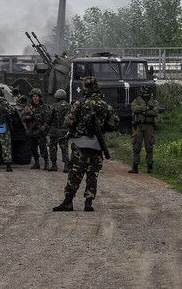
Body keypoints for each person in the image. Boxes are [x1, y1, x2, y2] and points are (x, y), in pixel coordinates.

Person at [53, 77, 118, 212]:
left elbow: (68, 122)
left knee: (75, 173)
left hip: (80, 145)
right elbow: (113, 124)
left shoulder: (79, 103)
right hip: (97, 145)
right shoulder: (106, 106)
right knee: (92, 175)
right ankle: (88, 203)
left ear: (86, 89)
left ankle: (68, 202)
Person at [129, 82, 159, 174]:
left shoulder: (154, 102)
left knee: (149, 147)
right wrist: (146, 108)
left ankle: (150, 167)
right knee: (136, 146)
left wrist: (142, 111)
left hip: (149, 127)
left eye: (148, 92)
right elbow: (134, 109)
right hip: (138, 126)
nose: (146, 94)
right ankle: (135, 166)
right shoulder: (136, 100)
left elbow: (154, 112)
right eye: (144, 92)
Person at [22, 88, 50, 170]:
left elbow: (49, 119)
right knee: (32, 148)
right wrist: (28, 117)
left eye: (37, 96)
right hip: (31, 131)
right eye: (33, 96)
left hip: (40, 131)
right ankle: (37, 163)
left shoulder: (45, 107)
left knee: (43, 148)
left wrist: (44, 126)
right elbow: (22, 118)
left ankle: (46, 163)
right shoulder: (28, 107)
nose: (35, 98)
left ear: (39, 97)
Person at [47, 89, 71, 173]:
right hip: (64, 131)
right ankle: (66, 166)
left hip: (54, 131)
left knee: (53, 147)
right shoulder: (69, 106)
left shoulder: (54, 106)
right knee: (64, 148)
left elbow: (49, 118)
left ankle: (54, 165)